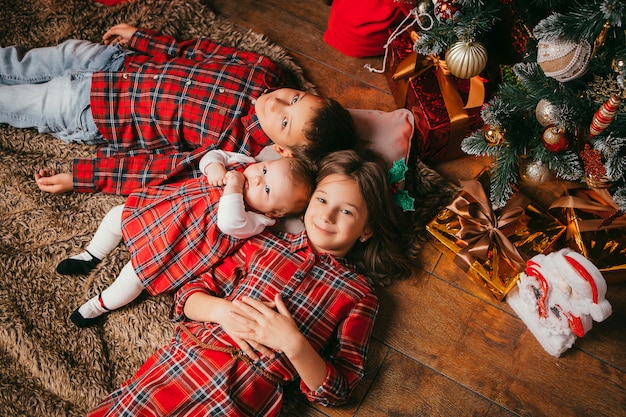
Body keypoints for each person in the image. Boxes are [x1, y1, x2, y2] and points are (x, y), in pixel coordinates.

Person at [84, 149, 414, 416]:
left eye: (347, 212)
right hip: (187, 360)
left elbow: (338, 389)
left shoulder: (359, 295)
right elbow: (187, 296)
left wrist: (293, 344)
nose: (327, 216)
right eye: (323, 200)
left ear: (367, 230)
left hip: (246, 396)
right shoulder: (260, 242)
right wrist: (223, 312)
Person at [0, 23, 356, 196]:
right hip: (114, 60)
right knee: (21, 63)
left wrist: (82, 177)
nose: (276, 101)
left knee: (15, 101)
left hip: (95, 108)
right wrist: (142, 38)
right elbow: (196, 52)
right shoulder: (267, 70)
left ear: (281, 148)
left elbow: (160, 169)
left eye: (282, 119)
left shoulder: (235, 151)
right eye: (294, 98)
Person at [59, 149, 316, 327]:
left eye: (267, 189)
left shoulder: (258, 220)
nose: (258, 177)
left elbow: (228, 222)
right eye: (266, 169)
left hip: (178, 244)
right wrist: (215, 166)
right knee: (119, 215)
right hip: (165, 211)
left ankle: (98, 306)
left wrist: (234, 186)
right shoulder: (244, 164)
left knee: (134, 277)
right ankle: (91, 255)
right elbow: (215, 155)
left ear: (274, 211)